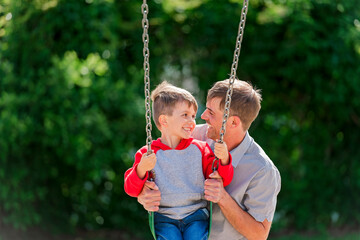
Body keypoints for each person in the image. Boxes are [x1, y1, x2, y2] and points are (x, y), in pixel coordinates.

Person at [137, 79, 281, 240]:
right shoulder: (195, 138)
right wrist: (144, 193)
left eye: (211, 113)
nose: (203, 116)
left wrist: (223, 197)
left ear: (233, 122)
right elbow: (161, 164)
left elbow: (259, 234)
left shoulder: (262, 170)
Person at [124, 81, 234, 240]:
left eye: (193, 116)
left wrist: (224, 159)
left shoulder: (200, 149)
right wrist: (141, 169)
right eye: (185, 115)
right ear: (164, 121)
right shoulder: (148, 154)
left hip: (196, 215)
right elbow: (131, 189)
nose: (192, 121)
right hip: (165, 218)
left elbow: (222, 178)